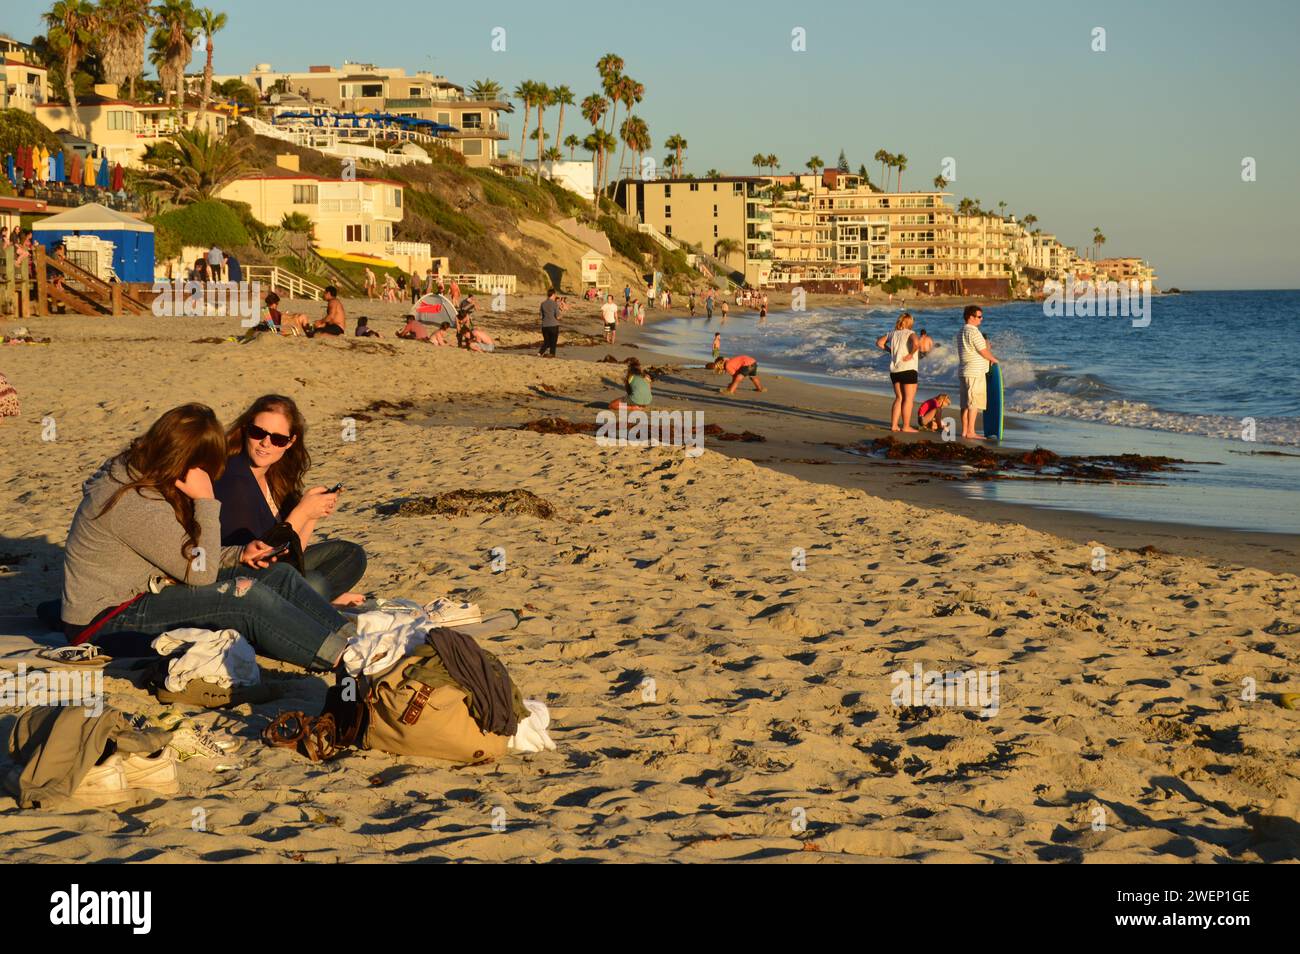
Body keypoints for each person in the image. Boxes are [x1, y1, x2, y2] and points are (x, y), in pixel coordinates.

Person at [58, 403, 358, 668]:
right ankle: (344, 657)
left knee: (278, 574)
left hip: (148, 590)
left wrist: (240, 554)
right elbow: (200, 572)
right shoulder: (133, 500)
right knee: (245, 596)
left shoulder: (147, 474)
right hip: (108, 619)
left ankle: (353, 639)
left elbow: (189, 553)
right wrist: (205, 501)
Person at [214, 394, 366, 604]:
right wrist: (302, 512)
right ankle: (318, 599)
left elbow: (292, 557)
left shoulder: (276, 477)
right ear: (245, 429)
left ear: (290, 442)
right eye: (258, 432)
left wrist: (312, 516)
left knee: (351, 555)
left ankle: (314, 598)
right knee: (315, 584)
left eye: (278, 439)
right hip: (242, 584)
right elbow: (258, 558)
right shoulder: (234, 477)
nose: (266, 443)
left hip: (278, 571)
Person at [957, 305, 996, 440]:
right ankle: (971, 432)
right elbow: (983, 350)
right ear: (970, 317)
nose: (981, 319)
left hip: (964, 371)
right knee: (973, 403)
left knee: (965, 403)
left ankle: (964, 431)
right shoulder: (974, 332)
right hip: (975, 372)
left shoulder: (961, 331)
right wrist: (994, 359)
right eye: (979, 316)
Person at [877, 312, 920, 433]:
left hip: (895, 370)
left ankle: (894, 425)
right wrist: (911, 354)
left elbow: (879, 343)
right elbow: (917, 343)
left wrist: (890, 350)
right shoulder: (911, 333)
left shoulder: (892, 333)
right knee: (909, 399)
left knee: (899, 397)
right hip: (908, 369)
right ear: (910, 322)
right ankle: (906, 426)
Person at [538, 288, 560, 357]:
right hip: (553, 325)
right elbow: (557, 317)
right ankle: (552, 354)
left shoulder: (543, 304)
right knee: (553, 341)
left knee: (546, 341)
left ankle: (540, 353)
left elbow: (541, 316)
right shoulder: (554, 304)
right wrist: (562, 315)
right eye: (555, 295)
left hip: (544, 326)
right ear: (553, 295)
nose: (555, 296)